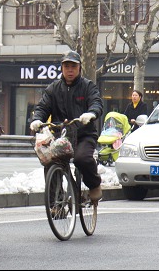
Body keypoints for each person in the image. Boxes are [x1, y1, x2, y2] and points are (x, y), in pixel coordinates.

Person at [30, 50, 104, 203]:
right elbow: (43, 107)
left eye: (73, 66)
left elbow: (96, 103)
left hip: (84, 135)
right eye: (67, 66)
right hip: (61, 137)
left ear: (79, 68)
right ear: (62, 68)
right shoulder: (53, 88)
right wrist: (37, 119)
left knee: (82, 159)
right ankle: (55, 203)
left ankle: (94, 185)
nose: (70, 70)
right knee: (50, 162)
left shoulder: (88, 86)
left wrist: (91, 114)